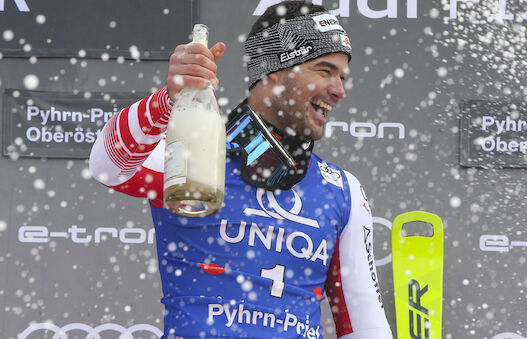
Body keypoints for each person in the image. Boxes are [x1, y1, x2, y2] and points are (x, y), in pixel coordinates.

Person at [89, 1, 392, 338]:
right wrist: (167, 100)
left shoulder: (342, 188)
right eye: (324, 70)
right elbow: (107, 165)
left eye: (342, 76)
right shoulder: (194, 152)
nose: (339, 90)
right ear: (275, 71)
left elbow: (365, 323)